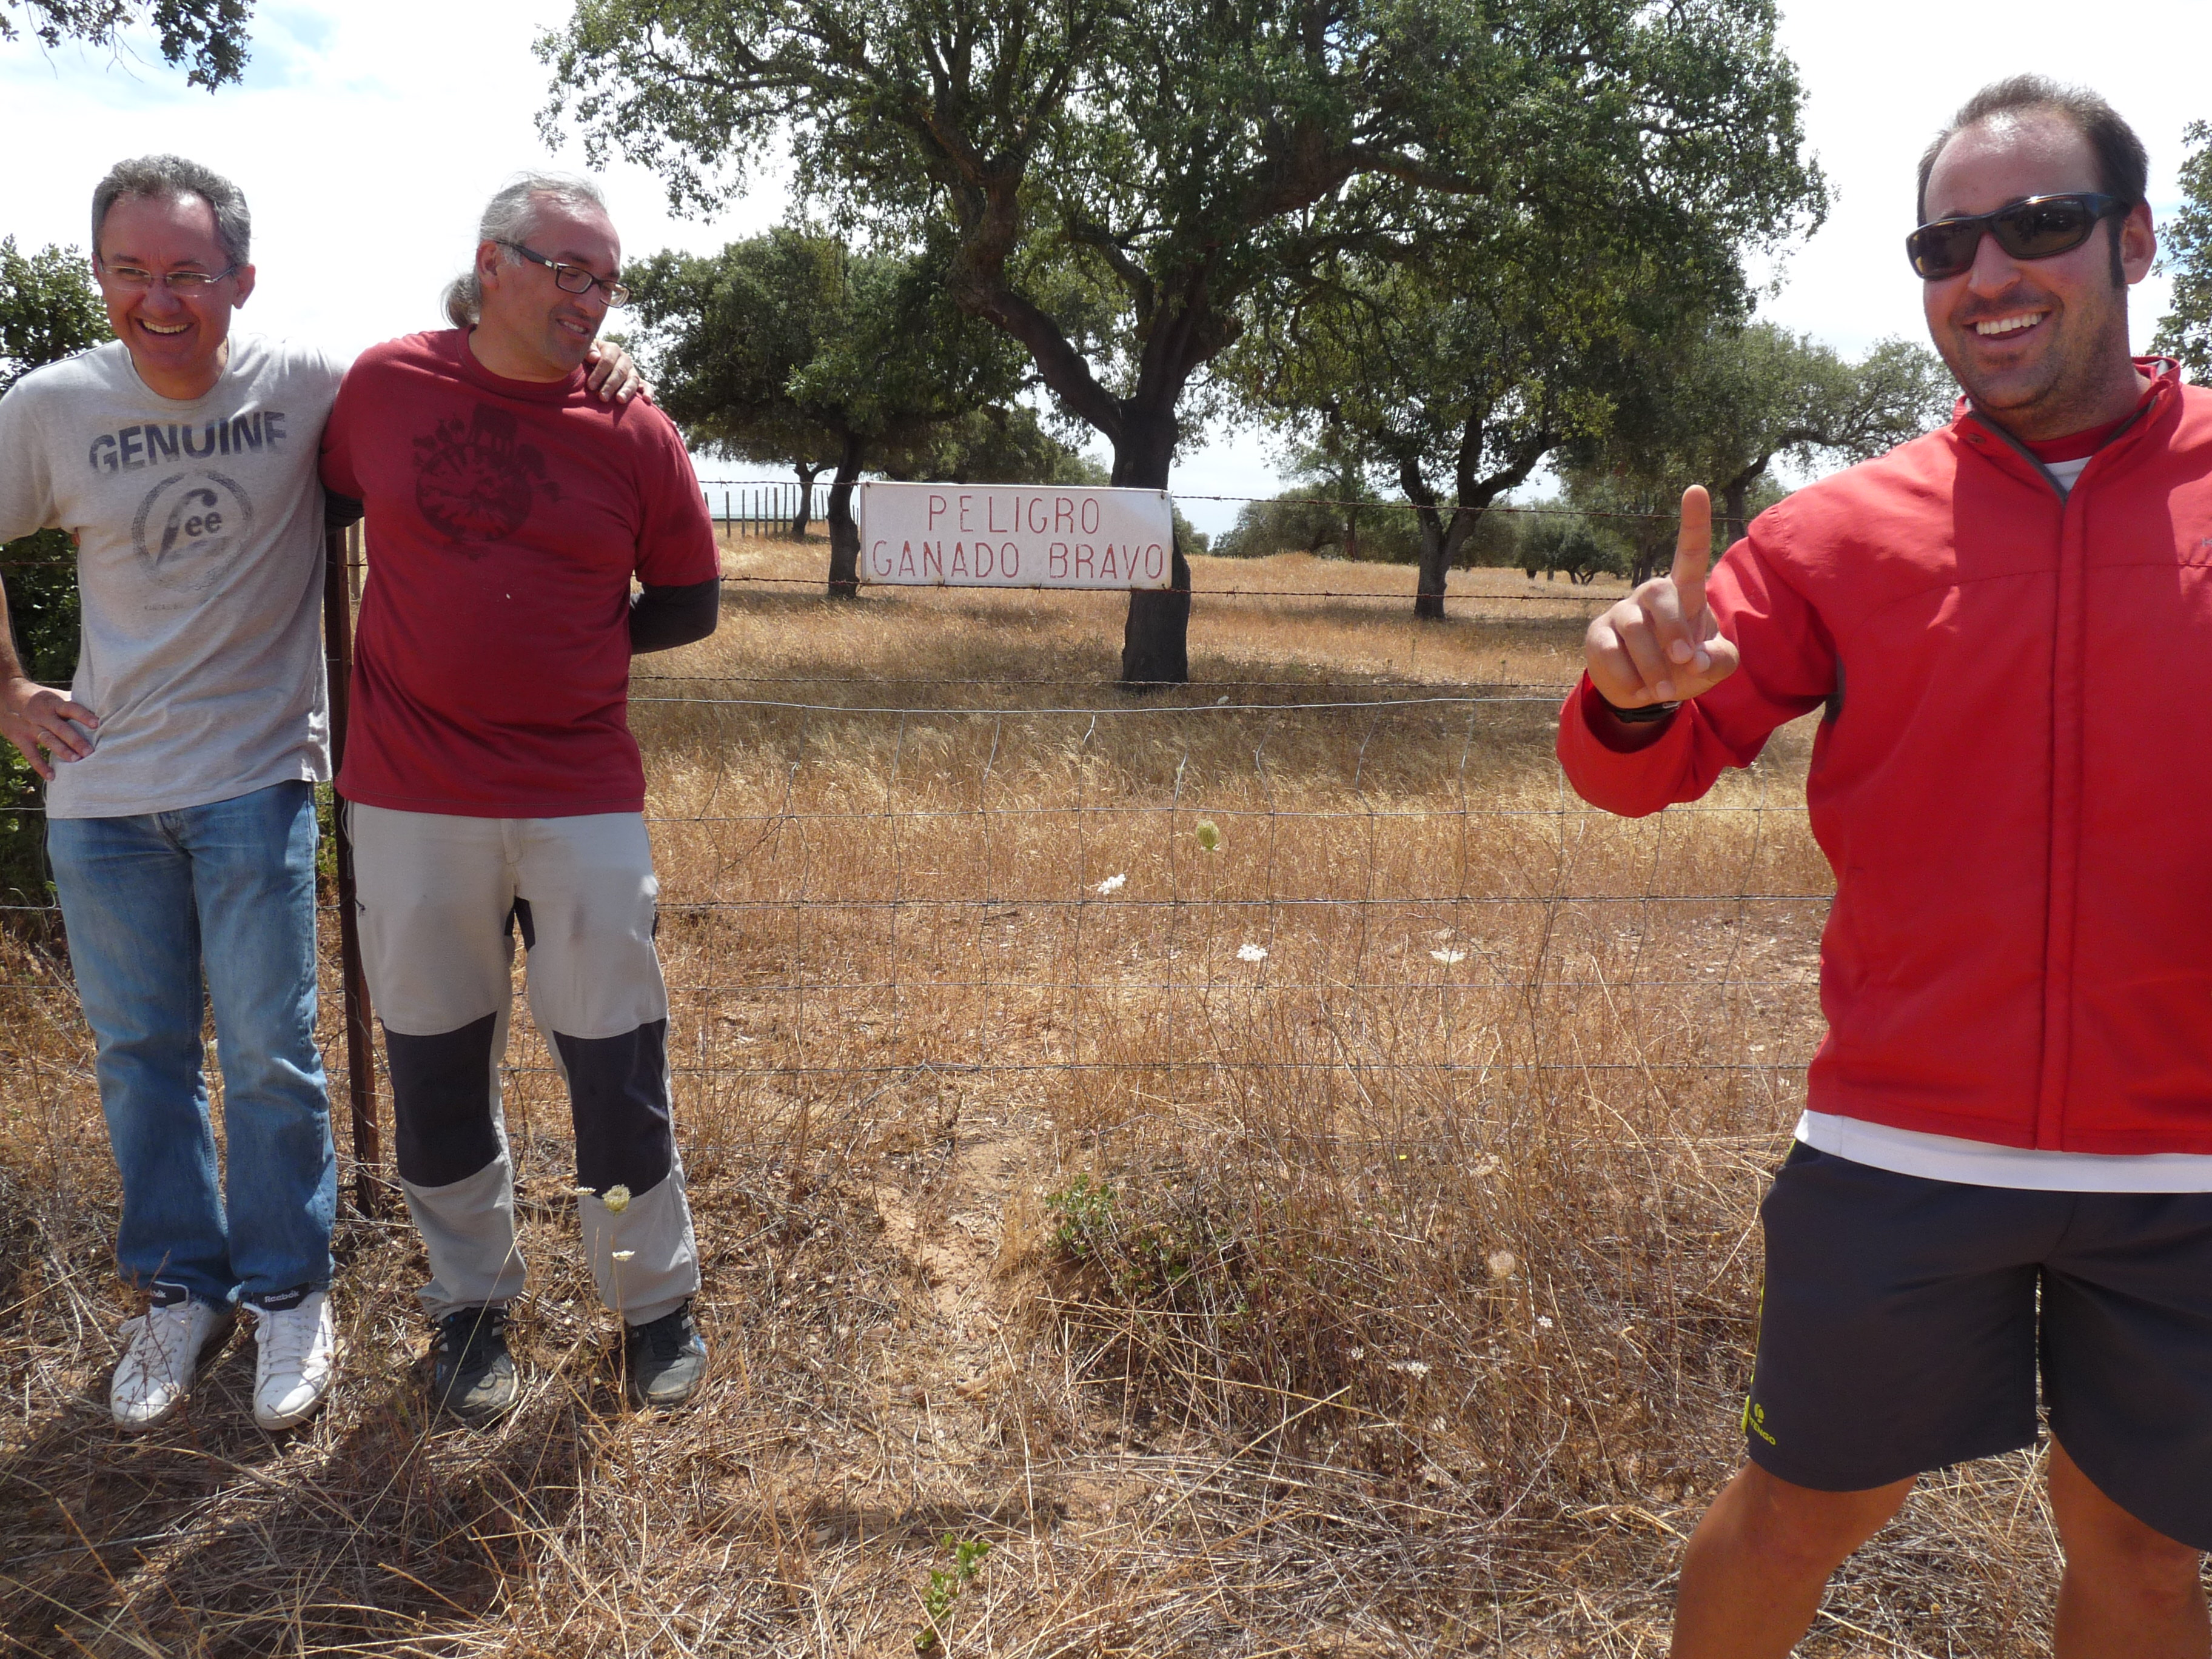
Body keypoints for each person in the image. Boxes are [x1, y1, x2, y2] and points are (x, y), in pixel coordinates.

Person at [1560, 78, 2212, 1658]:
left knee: (2143, 1554)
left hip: (2189, 1171)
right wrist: (1632, 692)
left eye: (2039, 225)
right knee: (1800, 1515)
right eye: (1944, 246)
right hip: (1898, 1151)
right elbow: (1635, 770)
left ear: (2135, 240)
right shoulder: (1837, 535)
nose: (1988, 274)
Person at [0, 156, 642, 1435]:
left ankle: (291, 1291)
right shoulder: (50, 406)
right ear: (101, 276)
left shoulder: (309, 386)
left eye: (189, 272)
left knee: (271, 1056)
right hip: (100, 793)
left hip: (260, 780)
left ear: (242, 279)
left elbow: (469, 377)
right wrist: (10, 690)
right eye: (131, 271)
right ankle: (177, 1294)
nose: (160, 299)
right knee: (140, 1058)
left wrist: (595, 360)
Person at [318, 172, 722, 1426]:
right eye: (568, 271)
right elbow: (322, 505)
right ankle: (471, 1305)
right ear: (491, 264)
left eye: (607, 280)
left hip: (580, 794)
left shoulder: (633, 428)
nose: (590, 299)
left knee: (616, 1059)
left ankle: (653, 1304)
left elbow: (691, 600)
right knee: (436, 1058)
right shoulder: (386, 388)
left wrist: (573, 650)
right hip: (410, 795)